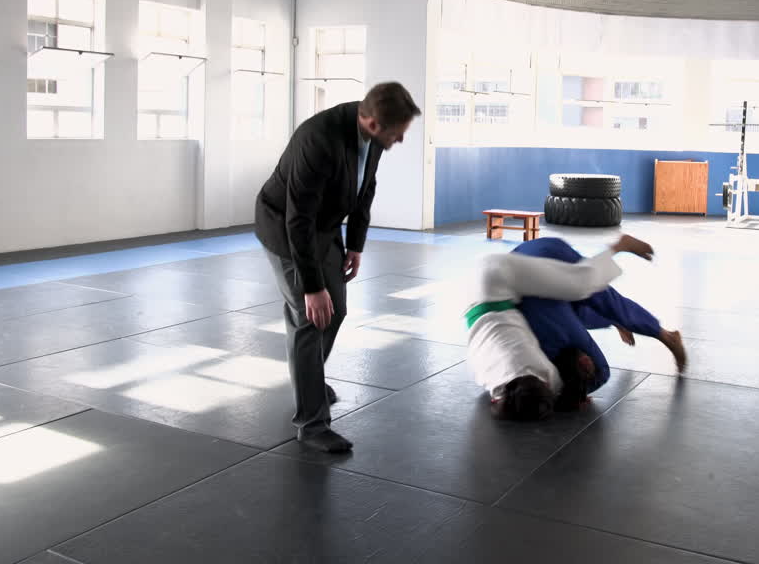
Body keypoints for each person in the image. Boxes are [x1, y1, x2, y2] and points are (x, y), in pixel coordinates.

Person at [256, 82, 421, 453]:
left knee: (338, 310)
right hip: (285, 226)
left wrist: (355, 245)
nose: (401, 140)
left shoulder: (372, 135)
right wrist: (313, 287)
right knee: (310, 315)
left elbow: (366, 188)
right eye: (398, 134)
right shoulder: (318, 140)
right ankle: (312, 424)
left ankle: (307, 377)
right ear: (374, 124)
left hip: (325, 226)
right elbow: (297, 219)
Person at [464, 234, 655, 421]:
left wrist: (575, 398)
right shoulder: (488, 380)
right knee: (559, 306)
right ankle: (610, 319)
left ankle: (620, 246)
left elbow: (567, 390)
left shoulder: (547, 374)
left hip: (498, 275)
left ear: (546, 385)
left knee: (578, 285)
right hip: (483, 287)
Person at [512, 237, 687, 406]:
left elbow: (600, 372)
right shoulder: (526, 350)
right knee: (582, 306)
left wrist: (575, 394)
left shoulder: (556, 337)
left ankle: (666, 336)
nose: (587, 361)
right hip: (529, 253)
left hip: (542, 266)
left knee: (601, 303)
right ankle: (621, 321)